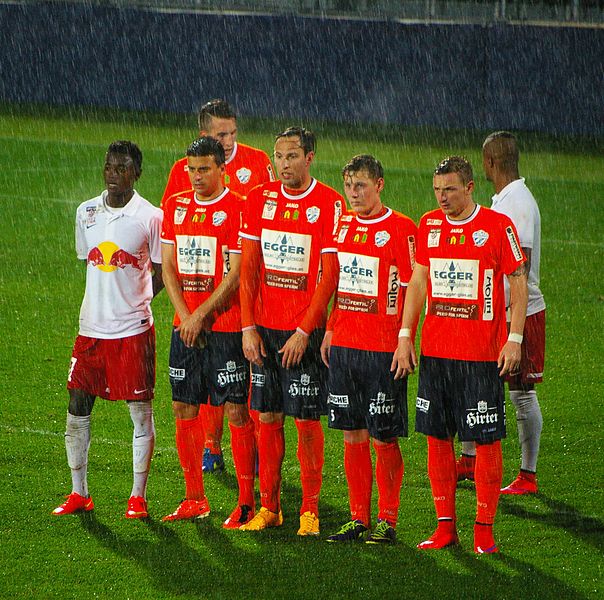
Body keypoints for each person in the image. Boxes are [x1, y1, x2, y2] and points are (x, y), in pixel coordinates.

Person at [395, 156, 528, 554]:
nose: (442, 198)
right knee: (438, 438)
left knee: (485, 440)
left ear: (470, 187)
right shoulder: (429, 225)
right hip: (437, 354)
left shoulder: (496, 226)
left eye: (450, 189)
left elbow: (517, 281)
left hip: (481, 356)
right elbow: (419, 280)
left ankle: (484, 530)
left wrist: (515, 337)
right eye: (437, 190)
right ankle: (445, 527)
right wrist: (406, 334)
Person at [238, 126, 344, 535]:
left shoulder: (329, 204)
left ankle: (310, 510)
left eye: (293, 156)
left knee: (305, 420)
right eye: (279, 156)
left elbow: (329, 276)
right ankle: (270, 507)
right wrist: (248, 326)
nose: (284, 164)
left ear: (310, 157)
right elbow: (248, 268)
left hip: (304, 333)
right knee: (267, 415)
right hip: (264, 329)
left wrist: (305, 330)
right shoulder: (258, 199)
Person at [162, 99, 274, 473]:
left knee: (240, 391)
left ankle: (253, 458)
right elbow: (174, 236)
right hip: (195, 298)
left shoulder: (258, 163)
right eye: (219, 134)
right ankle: (211, 447)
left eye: (231, 133)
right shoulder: (183, 172)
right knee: (197, 392)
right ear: (204, 134)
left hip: (241, 291)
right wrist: (187, 313)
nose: (227, 140)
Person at [53, 141, 163, 519]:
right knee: (76, 406)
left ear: (137, 172)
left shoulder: (150, 217)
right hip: (91, 332)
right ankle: (79, 492)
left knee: (140, 413)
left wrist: (137, 301)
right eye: (109, 167)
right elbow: (89, 260)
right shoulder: (86, 212)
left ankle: (137, 496)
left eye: (122, 168)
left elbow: (162, 273)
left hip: (132, 332)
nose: (113, 174)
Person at [320, 155, 417, 544]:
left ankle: (387, 520)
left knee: (383, 437)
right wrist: (329, 329)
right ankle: (358, 517)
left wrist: (405, 337)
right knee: (352, 434)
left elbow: (412, 288)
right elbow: (339, 286)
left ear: (379, 184)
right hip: (344, 347)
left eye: (361, 185)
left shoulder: (401, 229)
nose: (353, 193)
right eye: (348, 185)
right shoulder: (341, 226)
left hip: (382, 351)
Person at [160, 137, 256, 528]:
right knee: (183, 406)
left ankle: (247, 501)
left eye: (204, 169)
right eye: (191, 169)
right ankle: (194, 497)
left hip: (226, 327)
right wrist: (186, 317)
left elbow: (235, 275)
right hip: (185, 326)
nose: (196, 176)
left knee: (236, 409)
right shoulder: (175, 205)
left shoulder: (237, 208)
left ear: (222, 170)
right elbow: (167, 268)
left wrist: (201, 315)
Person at [456, 132, 546, 495]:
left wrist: (514, 324)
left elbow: (518, 266)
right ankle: (469, 459)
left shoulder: (518, 203)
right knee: (475, 379)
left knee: (521, 390)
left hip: (520, 312)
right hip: (493, 311)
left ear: (490, 162)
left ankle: (527, 475)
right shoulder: (505, 200)